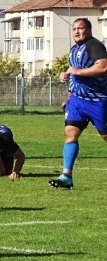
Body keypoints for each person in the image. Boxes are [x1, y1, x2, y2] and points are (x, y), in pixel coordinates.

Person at [49, 18, 107, 189]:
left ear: (88, 30)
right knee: (69, 133)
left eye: (80, 28)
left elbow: (103, 67)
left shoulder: (94, 45)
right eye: (74, 28)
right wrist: (68, 92)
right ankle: (66, 176)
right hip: (77, 101)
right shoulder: (74, 49)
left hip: (97, 101)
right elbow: (74, 75)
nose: (76, 31)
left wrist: (78, 71)